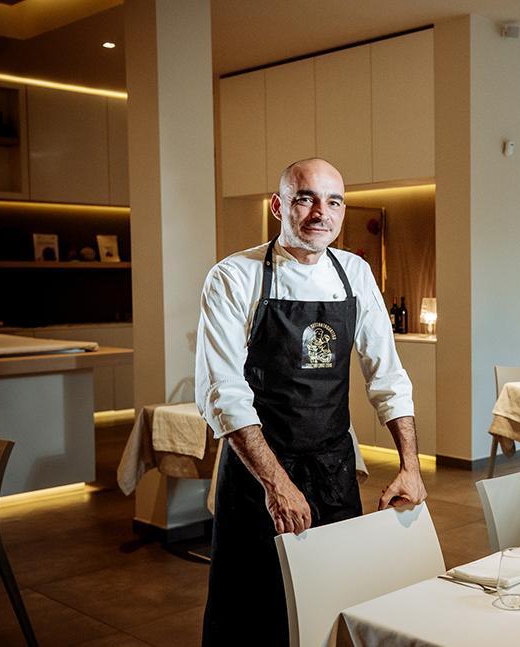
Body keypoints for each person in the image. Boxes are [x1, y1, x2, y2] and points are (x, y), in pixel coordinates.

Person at [195, 158, 426, 646]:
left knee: (332, 603)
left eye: (334, 201)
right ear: (279, 206)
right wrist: (276, 484)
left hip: (332, 468)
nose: (321, 212)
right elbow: (224, 393)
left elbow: (388, 375)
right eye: (306, 198)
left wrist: (410, 465)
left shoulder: (356, 274)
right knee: (252, 612)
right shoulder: (234, 277)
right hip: (258, 474)